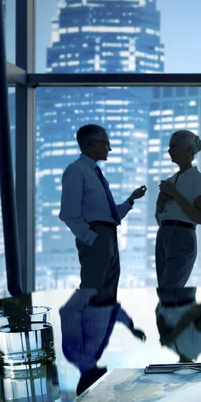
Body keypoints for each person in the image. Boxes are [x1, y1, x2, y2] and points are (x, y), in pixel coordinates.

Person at [59, 124, 147, 292]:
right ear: (94, 144)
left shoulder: (95, 173)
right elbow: (68, 213)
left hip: (109, 236)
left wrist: (130, 200)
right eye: (107, 144)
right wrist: (91, 238)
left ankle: (103, 318)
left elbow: (108, 216)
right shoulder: (76, 170)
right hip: (98, 237)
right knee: (93, 290)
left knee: (108, 291)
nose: (110, 149)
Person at [59, 288, 146, 396]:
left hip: (96, 289)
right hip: (106, 291)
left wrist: (90, 289)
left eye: (99, 389)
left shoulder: (75, 355)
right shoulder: (93, 355)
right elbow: (111, 313)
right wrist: (130, 326)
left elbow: (69, 313)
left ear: (90, 384)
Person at [155, 130, 201, 287]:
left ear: (187, 150)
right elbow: (159, 218)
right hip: (164, 235)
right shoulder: (171, 180)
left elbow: (200, 217)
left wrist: (174, 194)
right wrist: (160, 204)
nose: (169, 150)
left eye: (173, 146)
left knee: (170, 289)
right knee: (164, 289)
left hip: (182, 236)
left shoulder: (199, 179)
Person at [155, 287, 201, 362]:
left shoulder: (170, 345)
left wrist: (163, 332)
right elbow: (200, 310)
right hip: (183, 293)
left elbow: (158, 312)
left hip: (164, 295)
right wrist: (173, 335)